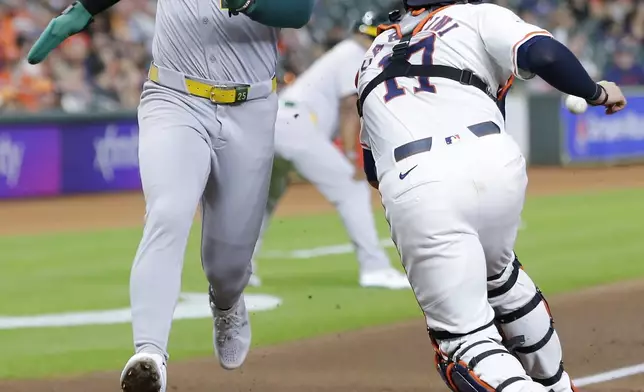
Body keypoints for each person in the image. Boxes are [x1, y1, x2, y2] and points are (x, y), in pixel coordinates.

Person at [27, 0, 313, 391]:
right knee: (168, 211)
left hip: (252, 106)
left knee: (228, 263)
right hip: (174, 97)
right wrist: (85, 9)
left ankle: (227, 303)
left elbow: (299, 11)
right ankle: (149, 354)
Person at [356, 1, 626, 392]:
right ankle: (555, 383)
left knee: (464, 342)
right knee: (499, 275)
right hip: (495, 158)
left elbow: (370, 170)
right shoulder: (477, 14)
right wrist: (597, 92)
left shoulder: (371, 55)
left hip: (415, 175)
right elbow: (545, 53)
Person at [249, 10, 410, 290]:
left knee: (264, 203)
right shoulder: (355, 54)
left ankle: (241, 271)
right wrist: (351, 157)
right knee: (352, 189)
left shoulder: (344, 51)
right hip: (296, 126)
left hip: (273, 124)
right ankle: (374, 268)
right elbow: (349, 106)